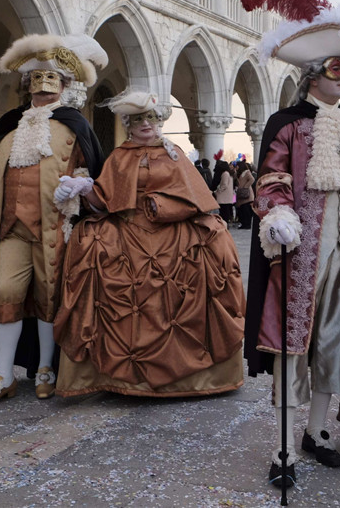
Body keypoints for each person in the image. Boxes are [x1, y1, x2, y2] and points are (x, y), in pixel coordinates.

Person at [239, 0, 340, 489]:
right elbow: (272, 178)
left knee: (331, 340)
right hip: (301, 250)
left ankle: (317, 431)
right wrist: (276, 214)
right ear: (314, 74)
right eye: (338, 70)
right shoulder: (287, 124)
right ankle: (283, 444)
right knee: (290, 341)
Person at [0, 33, 106, 407]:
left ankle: (45, 369)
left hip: (53, 228)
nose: (43, 87)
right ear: (27, 84)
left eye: (52, 80)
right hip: (7, 228)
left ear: (65, 85)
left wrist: (77, 187)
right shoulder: (9, 127)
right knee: (4, 296)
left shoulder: (75, 126)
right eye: (37, 80)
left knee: (48, 299)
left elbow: (89, 170)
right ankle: (4, 376)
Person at [52, 90, 245, 397]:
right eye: (139, 120)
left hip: (174, 229)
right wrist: (84, 187)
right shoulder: (119, 156)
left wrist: (162, 205)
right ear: (128, 125)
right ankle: (115, 376)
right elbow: (103, 202)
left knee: (212, 245)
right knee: (93, 241)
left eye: (152, 118)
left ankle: (193, 374)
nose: (147, 125)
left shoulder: (175, 154)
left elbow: (198, 201)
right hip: (127, 229)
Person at [212, 159, 235, 223]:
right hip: (228, 196)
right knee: (226, 211)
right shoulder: (229, 173)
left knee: (223, 212)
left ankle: (225, 224)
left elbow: (224, 185)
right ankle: (226, 223)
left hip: (223, 196)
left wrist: (217, 191)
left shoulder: (225, 173)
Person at [235, 161, 255, 230]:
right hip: (242, 194)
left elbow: (252, 179)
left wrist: (245, 186)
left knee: (246, 211)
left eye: (237, 165)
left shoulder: (246, 172)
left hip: (247, 194)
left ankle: (247, 224)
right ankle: (244, 224)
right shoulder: (239, 173)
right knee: (243, 210)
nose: (236, 167)